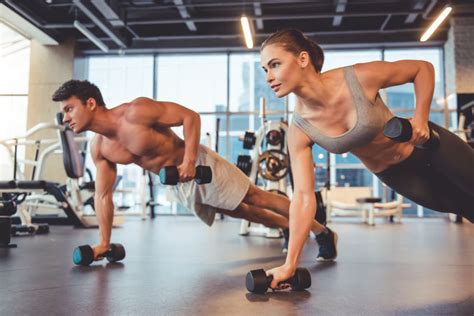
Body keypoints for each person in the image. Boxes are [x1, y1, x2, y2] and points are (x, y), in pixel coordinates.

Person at [260, 28, 474, 290]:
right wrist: (289, 263)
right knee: (466, 207)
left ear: (302, 59)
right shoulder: (300, 129)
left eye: (275, 65)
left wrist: (420, 118)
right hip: (398, 175)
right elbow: (303, 197)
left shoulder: (357, 78)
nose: (269, 77)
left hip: (429, 147)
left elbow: (422, 69)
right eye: (265, 70)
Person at [51, 80, 337, 261]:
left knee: (256, 198)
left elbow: (190, 117)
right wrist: (104, 242)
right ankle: (291, 226)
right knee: (242, 211)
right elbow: (103, 197)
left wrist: (188, 161)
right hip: (177, 184)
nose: (66, 118)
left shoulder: (135, 112)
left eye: (69, 109)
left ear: (90, 103)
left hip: (198, 165)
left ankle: (322, 232)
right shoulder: (99, 148)